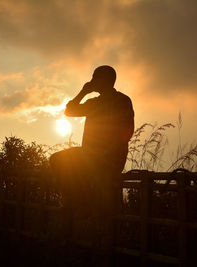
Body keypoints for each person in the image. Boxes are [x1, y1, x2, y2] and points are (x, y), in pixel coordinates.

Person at [49, 65, 134, 257]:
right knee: (57, 160)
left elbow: (128, 130)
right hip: (90, 155)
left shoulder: (122, 101)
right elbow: (69, 111)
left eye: (95, 78)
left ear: (104, 80)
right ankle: (81, 201)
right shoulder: (94, 102)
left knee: (68, 163)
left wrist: (107, 151)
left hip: (110, 158)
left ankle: (81, 202)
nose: (92, 81)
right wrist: (82, 92)